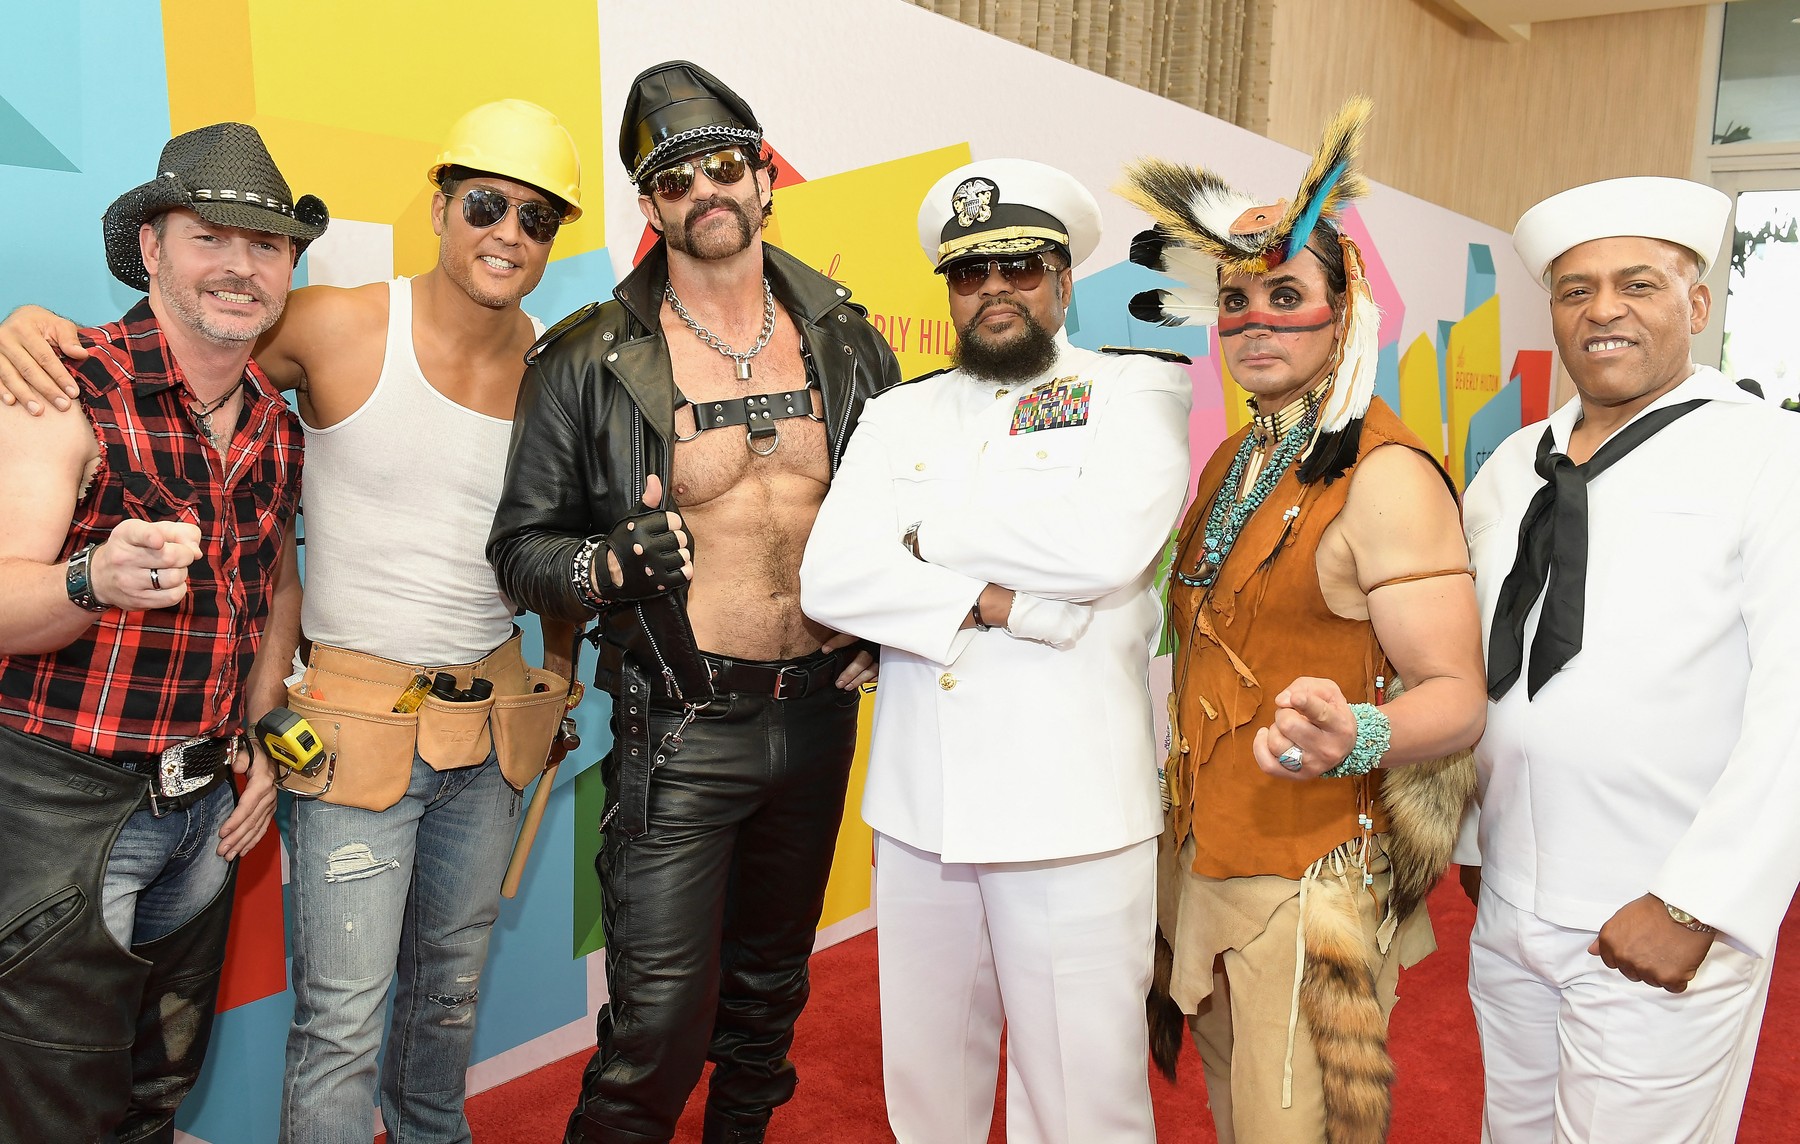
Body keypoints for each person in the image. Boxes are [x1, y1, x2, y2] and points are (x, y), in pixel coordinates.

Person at [0, 99, 585, 1144]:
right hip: (204, 763)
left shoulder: (545, 376)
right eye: (487, 203)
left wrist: (263, 722)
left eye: (536, 219)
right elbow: (161, 362)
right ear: (443, 206)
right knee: (324, 1030)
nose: (508, 232)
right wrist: (38, 333)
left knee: (432, 1012)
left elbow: (273, 574)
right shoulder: (310, 333)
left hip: (440, 738)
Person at [486, 61, 897, 1144]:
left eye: (725, 165)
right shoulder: (586, 357)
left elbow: (910, 516)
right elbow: (520, 550)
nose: (704, 190)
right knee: (658, 1026)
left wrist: (885, 630)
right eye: (675, 178)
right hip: (681, 729)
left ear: (765, 179)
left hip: (818, 716)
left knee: (766, 1005)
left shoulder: (848, 341)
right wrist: (601, 568)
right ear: (651, 206)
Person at [798, 159, 1192, 1143]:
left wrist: (923, 535)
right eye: (972, 273)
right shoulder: (899, 414)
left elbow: (1102, 548)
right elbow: (831, 579)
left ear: (1063, 280)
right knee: (927, 1086)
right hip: (924, 807)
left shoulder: (1133, 392)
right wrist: (1000, 601)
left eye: (1021, 265)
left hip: (1070, 814)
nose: (996, 289)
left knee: (1082, 1099)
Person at [1117, 97, 1486, 1144]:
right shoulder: (1239, 457)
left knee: (1299, 1125)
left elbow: (1456, 697)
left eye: (1286, 293)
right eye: (1234, 298)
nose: (1255, 319)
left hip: (1316, 866)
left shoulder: (1388, 474)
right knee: (1237, 1100)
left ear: (1345, 308)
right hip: (1209, 846)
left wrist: (1357, 735)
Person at [1461, 175, 1800, 1143]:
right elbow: (1497, 661)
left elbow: (1796, 702)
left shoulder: (1772, 456)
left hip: (1661, 905)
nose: (1603, 310)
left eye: (1638, 284)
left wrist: (1698, 902)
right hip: (1511, 900)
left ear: (1697, 305)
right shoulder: (1509, 463)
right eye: (1576, 290)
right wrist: (1478, 844)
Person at [0, 122, 316, 1142]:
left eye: (265, 245)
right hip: (64, 809)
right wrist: (92, 579)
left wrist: (264, 729)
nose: (239, 265)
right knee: (53, 1116)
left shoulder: (275, 417)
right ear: (149, 248)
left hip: (205, 815)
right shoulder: (63, 384)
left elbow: (274, 589)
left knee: (153, 1101)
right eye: (209, 236)